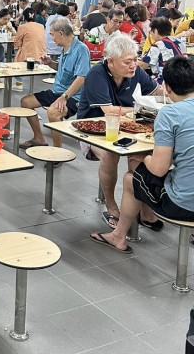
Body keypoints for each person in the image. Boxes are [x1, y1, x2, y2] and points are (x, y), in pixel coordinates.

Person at [92, 55, 194, 253]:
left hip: (183, 205)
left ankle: (118, 236)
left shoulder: (169, 113)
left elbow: (159, 168)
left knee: (131, 178)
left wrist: (144, 157)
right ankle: (146, 215)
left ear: (167, 88)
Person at [75, 34, 157, 223]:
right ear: (110, 61)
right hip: (92, 130)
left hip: (127, 127)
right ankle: (111, 206)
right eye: (128, 61)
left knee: (142, 154)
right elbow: (109, 111)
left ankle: (144, 209)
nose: (133, 65)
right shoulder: (96, 74)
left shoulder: (136, 72)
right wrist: (140, 109)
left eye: (135, 59)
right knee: (110, 154)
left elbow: (156, 92)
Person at [19, 18, 89, 148]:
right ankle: (39, 138)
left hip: (73, 96)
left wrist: (64, 97)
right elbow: (65, 70)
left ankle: (57, 150)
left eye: (52, 35)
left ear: (61, 33)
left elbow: (81, 78)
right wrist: (51, 63)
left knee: (53, 113)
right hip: (57, 92)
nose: (51, 38)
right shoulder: (65, 48)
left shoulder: (81, 49)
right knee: (26, 102)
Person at [141, 16, 184, 80]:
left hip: (164, 81)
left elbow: (143, 65)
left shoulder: (157, 45)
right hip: (182, 79)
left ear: (155, 31)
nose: (151, 34)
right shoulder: (180, 42)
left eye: (151, 31)